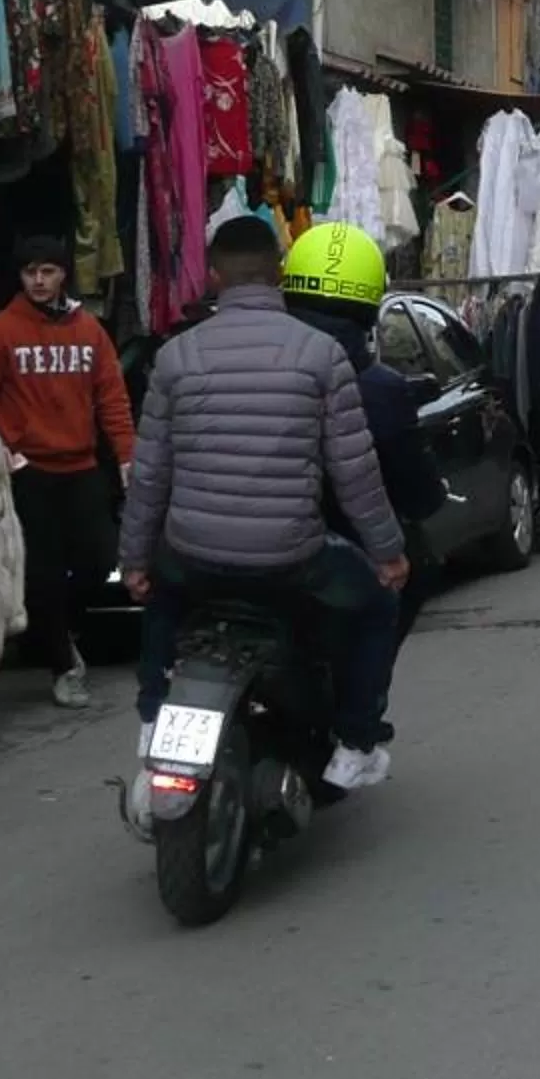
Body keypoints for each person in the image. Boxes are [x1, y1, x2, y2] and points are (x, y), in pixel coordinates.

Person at [119, 216, 410, 796]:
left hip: (193, 555)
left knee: (162, 594)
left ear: (213, 275)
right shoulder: (321, 354)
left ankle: (154, 712)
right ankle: (355, 743)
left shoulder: (175, 358)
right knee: (377, 604)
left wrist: (134, 562)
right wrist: (389, 555)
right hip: (290, 558)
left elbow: (149, 473)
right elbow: (353, 471)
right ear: (278, 273)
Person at [279, 221, 447, 765]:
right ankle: (358, 723)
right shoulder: (377, 389)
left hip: (202, 544)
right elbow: (406, 493)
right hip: (326, 550)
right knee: (403, 580)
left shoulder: (241, 366)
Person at [0, 234, 136, 709]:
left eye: (47, 271)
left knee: (100, 561)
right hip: (27, 471)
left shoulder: (90, 330)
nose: (38, 281)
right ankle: (64, 664)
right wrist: (1, 449)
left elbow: (112, 399)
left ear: (63, 274)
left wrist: (126, 457)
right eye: (29, 273)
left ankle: (59, 631)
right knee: (40, 573)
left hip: (81, 466)